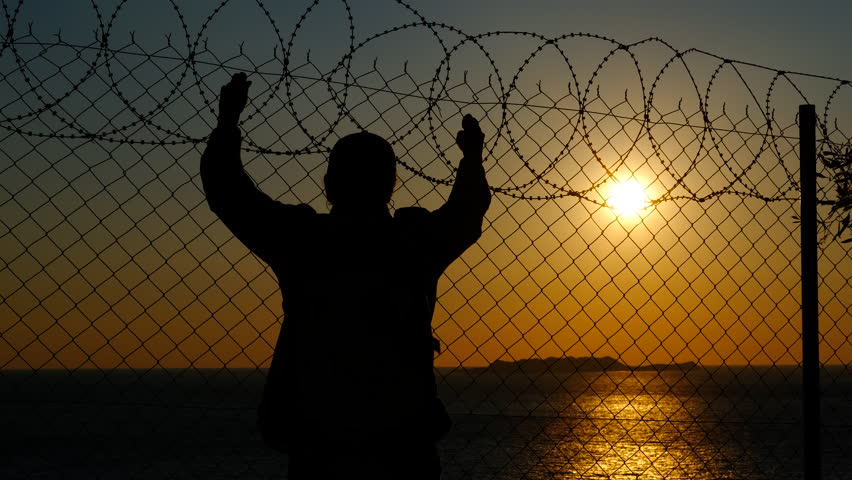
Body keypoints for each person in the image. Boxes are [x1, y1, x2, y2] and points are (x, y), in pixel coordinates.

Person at [201, 72, 491, 479]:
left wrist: (228, 123)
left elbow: (229, 193)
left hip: (319, 438)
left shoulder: (303, 240)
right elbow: (467, 212)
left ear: (328, 183)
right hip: (402, 440)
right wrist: (472, 159)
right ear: (391, 184)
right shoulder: (414, 242)